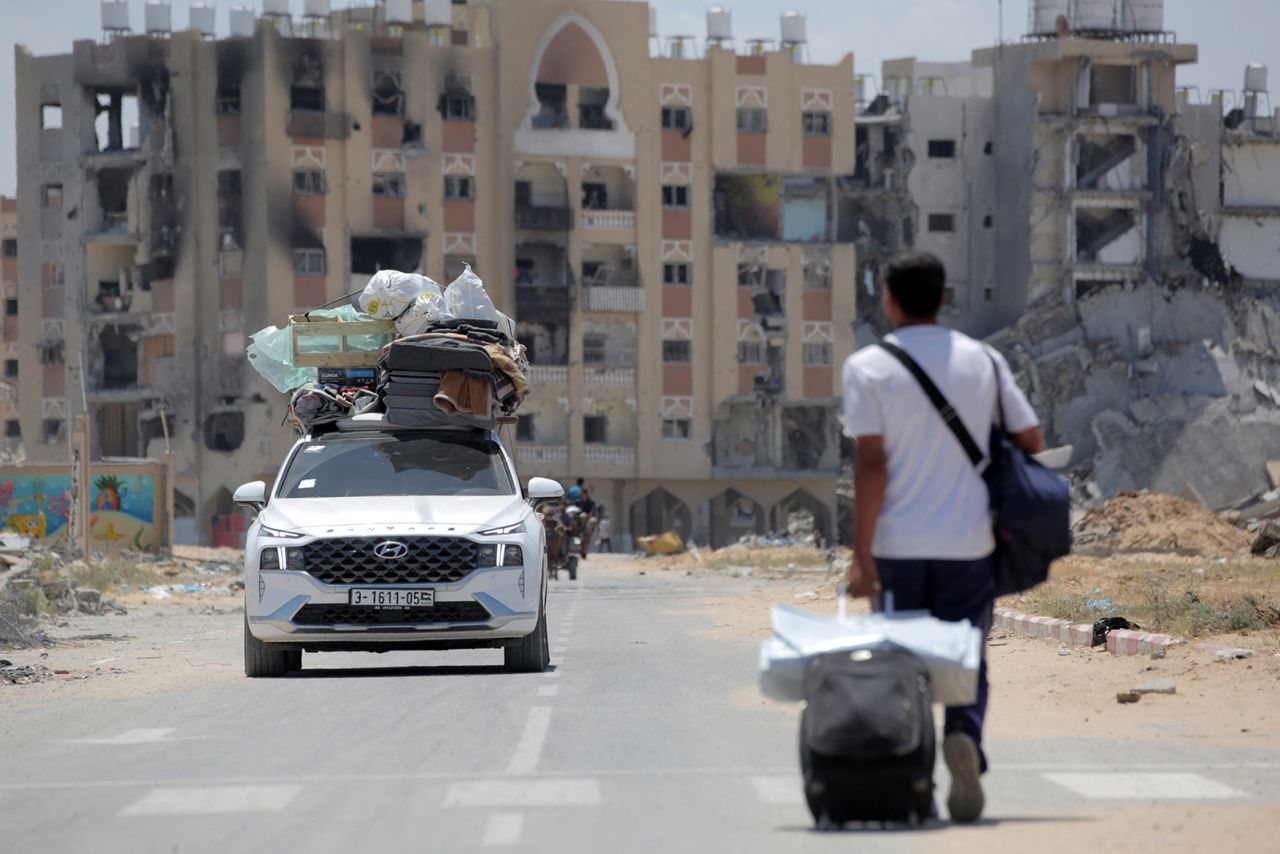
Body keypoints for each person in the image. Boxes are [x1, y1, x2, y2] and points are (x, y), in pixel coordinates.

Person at [841, 251, 1043, 824]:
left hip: (898, 549)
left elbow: (872, 462)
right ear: (944, 298)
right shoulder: (984, 361)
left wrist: (862, 556)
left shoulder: (867, 367)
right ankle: (965, 737)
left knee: (903, 664)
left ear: (890, 300)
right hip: (970, 546)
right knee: (966, 654)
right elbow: (1031, 437)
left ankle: (913, 773)